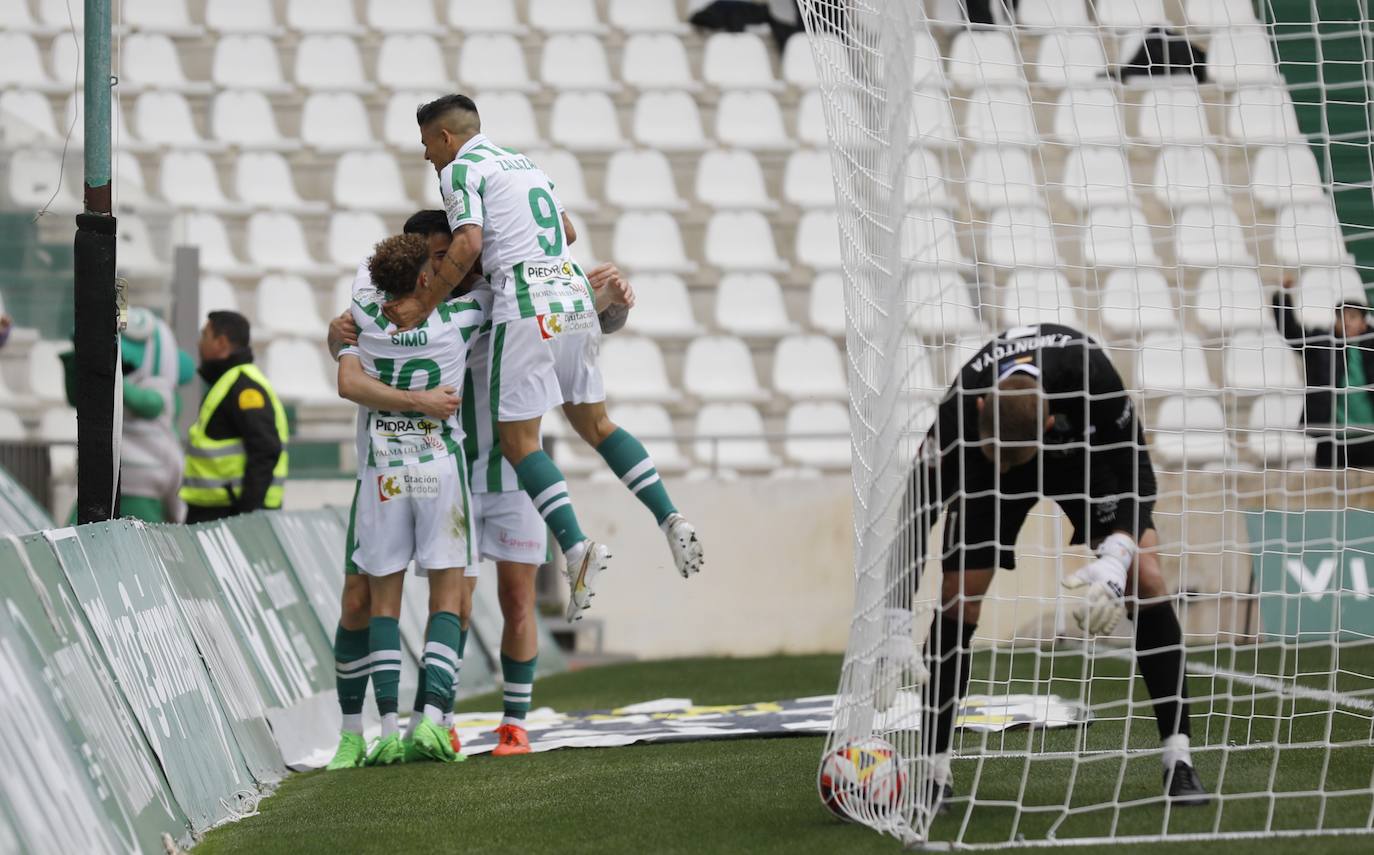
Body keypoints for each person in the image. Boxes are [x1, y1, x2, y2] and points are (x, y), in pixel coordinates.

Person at [903, 323, 1208, 811]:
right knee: (959, 596)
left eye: (1012, 458)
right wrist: (896, 619)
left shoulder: (1091, 372)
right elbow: (916, 510)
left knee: (1146, 579)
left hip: (1079, 458)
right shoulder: (959, 407)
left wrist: (1118, 554)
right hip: (987, 474)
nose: (1007, 464)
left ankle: (1179, 757)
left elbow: (1138, 472)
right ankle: (933, 771)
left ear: (1047, 423)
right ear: (980, 408)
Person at [387, 94, 609, 622]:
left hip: (508, 477)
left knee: (517, 602)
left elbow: (473, 245)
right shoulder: (521, 167)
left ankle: (577, 549)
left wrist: (607, 301)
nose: (426, 156)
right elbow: (566, 235)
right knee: (453, 603)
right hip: (451, 475)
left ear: (444, 138)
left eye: (426, 144)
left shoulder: (494, 294)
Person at [325, 213, 481, 770]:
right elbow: (347, 377)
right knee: (378, 601)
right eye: (435, 260)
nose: (444, 267)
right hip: (424, 468)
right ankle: (405, 724)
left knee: (399, 602)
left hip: (393, 472)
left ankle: (407, 725)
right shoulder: (466, 312)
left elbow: (349, 356)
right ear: (422, 271)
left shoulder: (366, 304)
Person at [180, 311, 288, 524]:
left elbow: (265, 449)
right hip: (219, 513)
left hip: (230, 515)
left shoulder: (244, 387)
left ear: (221, 343)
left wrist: (244, 516)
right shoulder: (230, 381)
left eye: (205, 336)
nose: (199, 343)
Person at [1272, 279, 1374, 468]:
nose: (1346, 322)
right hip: (1333, 438)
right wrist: (1282, 298)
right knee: (1330, 483)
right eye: (1341, 317)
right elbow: (1291, 333)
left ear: (1363, 323)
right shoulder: (1323, 345)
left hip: (1369, 437)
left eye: (1352, 317)